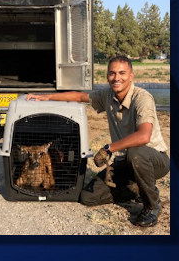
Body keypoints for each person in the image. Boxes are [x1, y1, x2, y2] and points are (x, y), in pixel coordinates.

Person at [27, 55, 169, 227]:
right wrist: (47, 98)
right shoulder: (108, 95)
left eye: (122, 73)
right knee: (88, 197)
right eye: (112, 73)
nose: (117, 78)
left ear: (131, 75)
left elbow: (144, 136)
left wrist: (109, 148)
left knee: (136, 153)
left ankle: (152, 206)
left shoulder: (142, 98)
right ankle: (135, 188)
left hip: (154, 160)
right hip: (125, 161)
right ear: (107, 76)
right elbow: (80, 97)